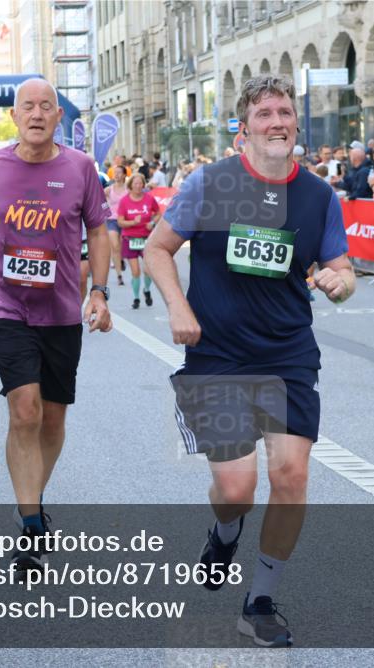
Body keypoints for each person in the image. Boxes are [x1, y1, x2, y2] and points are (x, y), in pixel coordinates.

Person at [144, 74, 354, 648]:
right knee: (237, 488)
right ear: (245, 129)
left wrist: (340, 282)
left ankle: (260, 597)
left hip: (287, 353)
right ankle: (225, 531)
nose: (278, 121)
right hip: (217, 354)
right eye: (265, 113)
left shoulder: (316, 196)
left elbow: (344, 270)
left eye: (285, 111)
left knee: (292, 475)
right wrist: (179, 306)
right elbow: (156, 249)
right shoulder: (212, 183)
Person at [0, 78, 112, 569]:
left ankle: (33, 499)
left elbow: (100, 230)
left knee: (53, 417)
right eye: (28, 106)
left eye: (47, 106)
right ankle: (30, 524)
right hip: (7, 309)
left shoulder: (81, 168)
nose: (37, 113)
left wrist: (99, 292)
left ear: (58, 117)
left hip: (62, 312)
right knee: (25, 411)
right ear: (15, 115)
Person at [117, 172, 160, 309]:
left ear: (143, 184)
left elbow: (158, 213)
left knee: (148, 269)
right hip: (130, 239)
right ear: (131, 185)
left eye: (140, 183)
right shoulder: (124, 201)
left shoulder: (149, 198)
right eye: (135, 183)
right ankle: (136, 298)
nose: (138, 186)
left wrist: (152, 223)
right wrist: (132, 223)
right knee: (135, 271)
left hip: (146, 238)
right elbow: (120, 222)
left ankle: (146, 290)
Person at [104, 167, 128, 287]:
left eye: (119, 173)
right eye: (115, 173)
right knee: (115, 246)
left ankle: (122, 259)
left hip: (125, 220)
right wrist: (105, 211)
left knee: (122, 246)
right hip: (112, 220)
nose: (116, 175)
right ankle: (119, 275)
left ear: (124, 175)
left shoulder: (129, 189)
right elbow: (99, 200)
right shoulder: (109, 189)